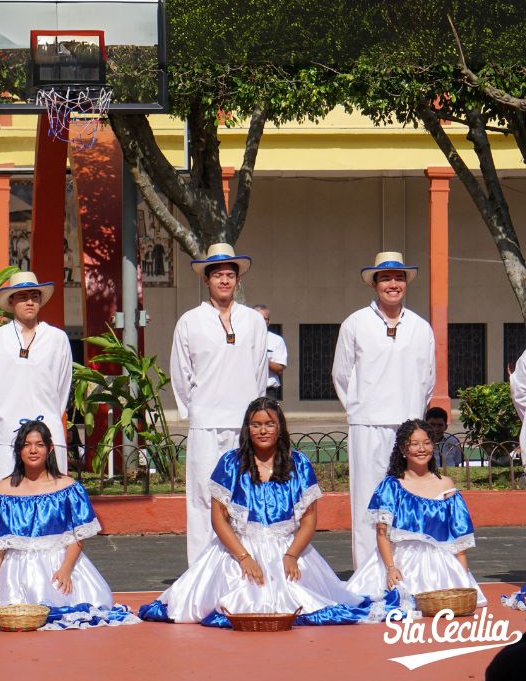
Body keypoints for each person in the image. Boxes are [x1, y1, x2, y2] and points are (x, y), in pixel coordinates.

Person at [139, 397, 375, 627]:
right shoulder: (231, 463)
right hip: (239, 548)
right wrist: (244, 558)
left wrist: (292, 555)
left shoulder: (299, 464)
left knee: (306, 598)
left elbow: (309, 518)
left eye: (269, 424)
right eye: (256, 425)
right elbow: (218, 518)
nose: (263, 430)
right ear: (247, 428)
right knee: (232, 596)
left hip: (288, 548)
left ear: (280, 427)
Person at [0, 420, 139, 630]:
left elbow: (76, 537)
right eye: (26, 445)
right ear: (18, 450)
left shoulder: (69, 488)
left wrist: (65, 569)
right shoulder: (3, 491)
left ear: (50, 448)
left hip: (59, 566)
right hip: (14, 570)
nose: (33, 450)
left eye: (39, 444)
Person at [332, 252, 435, 570]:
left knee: (408, 497)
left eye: (399, 277)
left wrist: (415, 419)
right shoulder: (356, 323)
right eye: (386, 278)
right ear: (374, 284)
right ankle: (367, 573)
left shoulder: (420, 327)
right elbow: (342, 374)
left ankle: (406, 570)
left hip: (407, 426)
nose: (393, 284)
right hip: (368, 424)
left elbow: (427, 378)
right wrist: (360, 408)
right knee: (368, 499)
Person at [170, 244, 268, 564]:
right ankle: (201, 572)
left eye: (230, 275)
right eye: (218, 275)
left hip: (243, 424)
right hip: (206, 422)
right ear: (207, 280)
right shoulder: (190, 321)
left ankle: (246, 565)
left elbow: (259, 372)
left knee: (244, 497)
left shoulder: (253, 321)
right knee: (203, 498)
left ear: (237, 281)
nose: (224, 280)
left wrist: (256, 418)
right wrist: (196, 409)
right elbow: (181, 374)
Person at [346, 419, 486, 607]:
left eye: (427, 443)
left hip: (439, 567)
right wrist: (390, 568)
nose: (422, 449)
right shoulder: (391, 486)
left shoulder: (446, 485)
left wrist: (463, 574)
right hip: (399, 561)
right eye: (414, 444)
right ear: (403, 450)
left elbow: (457, 538)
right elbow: (382, 534)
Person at [0, 271, 72, 492]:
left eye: (34, 296)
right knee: (4, 500)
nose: (30, 302)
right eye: (22, 296)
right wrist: (3, 421)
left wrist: (44, 427)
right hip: (5, 435)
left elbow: (62, 388)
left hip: (47, 434)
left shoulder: (57, 339)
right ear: (11, 301)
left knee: (51, 500)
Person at [253, 304, 287, 401]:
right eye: (257, 318)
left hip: (268, 391)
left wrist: (263, 359)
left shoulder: (276, 340)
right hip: (247, 390)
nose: (261, 321)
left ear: (268, 322)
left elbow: (280, 369)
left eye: (264, 318)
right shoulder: (243, 339)